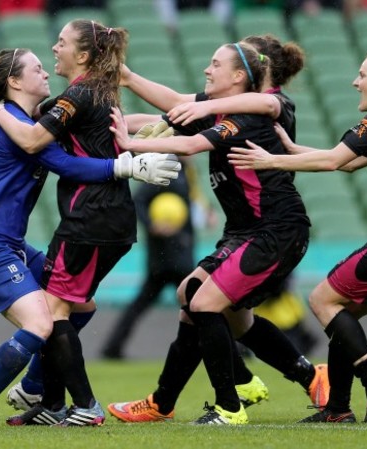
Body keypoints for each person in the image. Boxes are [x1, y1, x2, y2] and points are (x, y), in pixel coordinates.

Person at [0, 47, 180, 429]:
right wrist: (125, 166)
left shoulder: (23, 119)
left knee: (80, 309)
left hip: (10, 245)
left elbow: (96, 122)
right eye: (36, 69)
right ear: (15, 81)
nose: (45, 72)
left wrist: (174, 118)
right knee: (41, 324)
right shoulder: (16, 128)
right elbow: (64, 163)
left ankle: (36, 382)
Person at [107, 34, 329, 425]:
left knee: (204, 304)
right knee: (195, 296)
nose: (207, 69)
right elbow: (170, 110)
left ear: (241, 75)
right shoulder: (223, 109)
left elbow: (191, 143)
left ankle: (228, 407)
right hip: (245, 231)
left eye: (216, 64)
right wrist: (119, 98)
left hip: (274, 230)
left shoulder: (256, 112)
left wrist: (130, 145)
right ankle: (306, 376)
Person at [229, 49, 367, 423]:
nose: (354, 82)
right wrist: (292, 149)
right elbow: (346, 164)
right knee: (342, 314)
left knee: (321, 299)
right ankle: (337, 410)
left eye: (362, 74)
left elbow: (333, 160)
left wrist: (270, 161)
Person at [101, 154, 196, 360]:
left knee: (197, 305)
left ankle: (112, 347)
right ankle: (233, 349)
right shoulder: (167, 170)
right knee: (201, 305)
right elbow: (139, 200)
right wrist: (152, 225)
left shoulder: (186, 173)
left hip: (180, 254)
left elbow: (185, 212)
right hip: (164, 257)